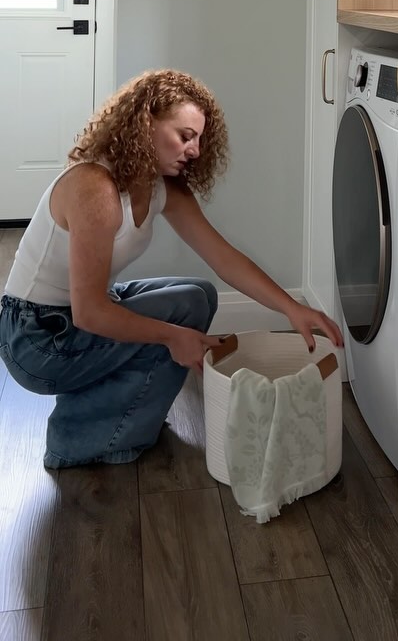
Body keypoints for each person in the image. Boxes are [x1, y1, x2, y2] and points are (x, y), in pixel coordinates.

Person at [0, 69, 343, 470]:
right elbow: (89, 312)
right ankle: (79, 439)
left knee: (198, 296)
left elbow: (223, 258)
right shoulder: (95, 187)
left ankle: (112, 412)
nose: (195, 150)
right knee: (179, 320)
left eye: (199, 138)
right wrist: (172, 336)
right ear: (144, 124)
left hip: (76, 317)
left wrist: (292, 308)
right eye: (185, 136)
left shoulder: (162, 185)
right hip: (36, 337)